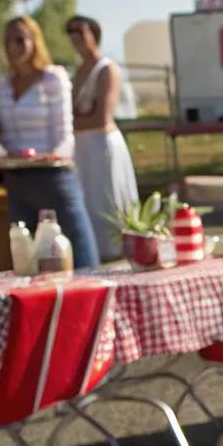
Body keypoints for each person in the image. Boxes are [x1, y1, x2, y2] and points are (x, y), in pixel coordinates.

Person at [0, 15, 100, 268]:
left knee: (77, 250)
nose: (14, 47)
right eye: (8, 42)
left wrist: (51, 156)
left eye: (20, 39)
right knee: (27, 257)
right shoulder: (0, 86)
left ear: (34, 41)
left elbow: (63, 132)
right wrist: (2, 154)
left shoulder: (53, 79)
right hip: (16, 177)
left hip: (54, 175)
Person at [67, 14, 139, 261]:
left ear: (93, 33)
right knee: (86, 203)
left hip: (101, 145)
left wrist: (67, 124)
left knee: (107, 203)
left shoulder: (107, 68)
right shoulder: (77, 71)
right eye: (72, 33)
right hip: (82, 147)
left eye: (81, 32)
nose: (76, 38)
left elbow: (102, 117)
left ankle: (117, 255)